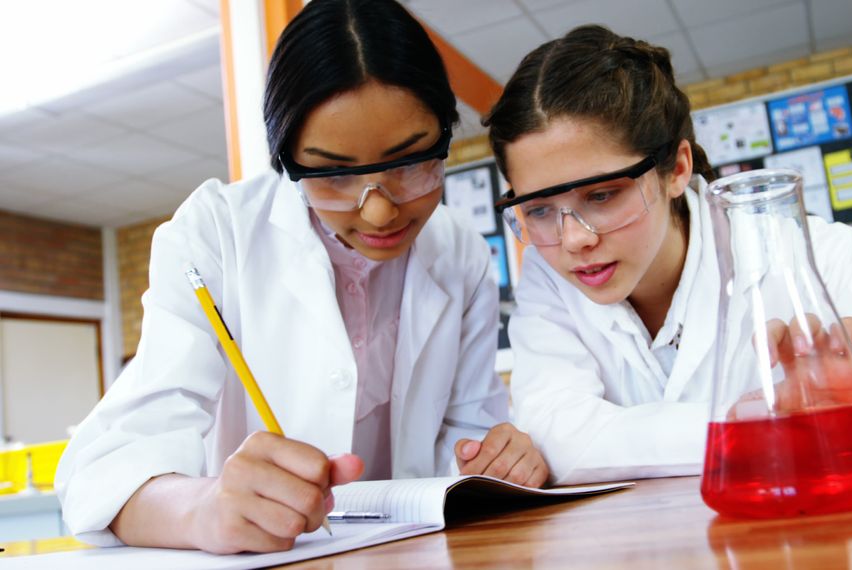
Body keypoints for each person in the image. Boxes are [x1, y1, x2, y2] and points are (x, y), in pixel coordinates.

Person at [55, 0, 547, 554]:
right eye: (334, 174)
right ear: (287, 162)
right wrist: (203, 509)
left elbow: (468, 436)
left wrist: (497, 458)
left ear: (445, 136)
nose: (380, 212)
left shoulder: (460, 253)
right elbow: (102, 472)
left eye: (411, 162)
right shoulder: (217, 235)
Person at [483, 25, 852, 485]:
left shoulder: (791, 246)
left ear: (676, 168)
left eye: (601, 195)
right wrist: (766, 426)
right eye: (537, 208)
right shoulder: (549, 272)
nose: (574, 237)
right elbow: (556, 431)